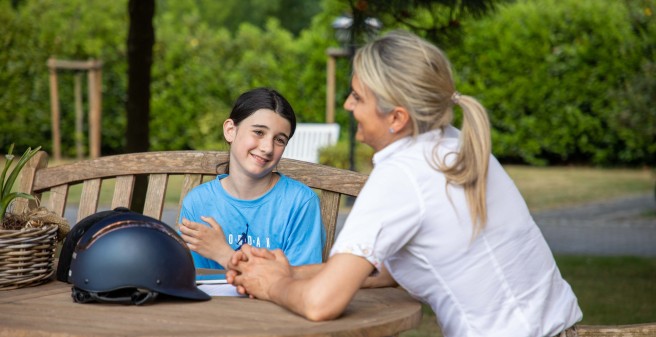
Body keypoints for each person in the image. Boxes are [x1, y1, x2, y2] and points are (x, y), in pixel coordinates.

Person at [226, 31, 583, 337]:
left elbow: (322, 303)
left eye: (358, 97)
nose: (348, 105)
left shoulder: (402, 176)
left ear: (397, 118)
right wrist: (288, 271)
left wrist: (271, 284)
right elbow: (382, 272)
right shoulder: (454, 144)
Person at [178, 87, 325, 272]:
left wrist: (225, 255)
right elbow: (191, 278)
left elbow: (300, 282)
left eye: (280, 140)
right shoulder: (198, 203)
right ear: (230, 130)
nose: (267, 147)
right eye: (258, 132)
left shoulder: (300, 203)